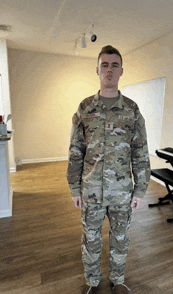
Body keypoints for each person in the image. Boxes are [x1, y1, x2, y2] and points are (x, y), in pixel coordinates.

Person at [67, 45, 151, 294]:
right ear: (97, 70)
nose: (109, 70)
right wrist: (74, 188)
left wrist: (139, 191)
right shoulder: (84, 108)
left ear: (122, 70)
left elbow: (141, 151)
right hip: (91, 189)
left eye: (114, 65)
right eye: (105, 65)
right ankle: (93, 282)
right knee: (91, 240)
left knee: (120, 239)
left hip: (122, 192)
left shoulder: (132, 110)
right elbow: (75, 151)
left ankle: (118, 280)